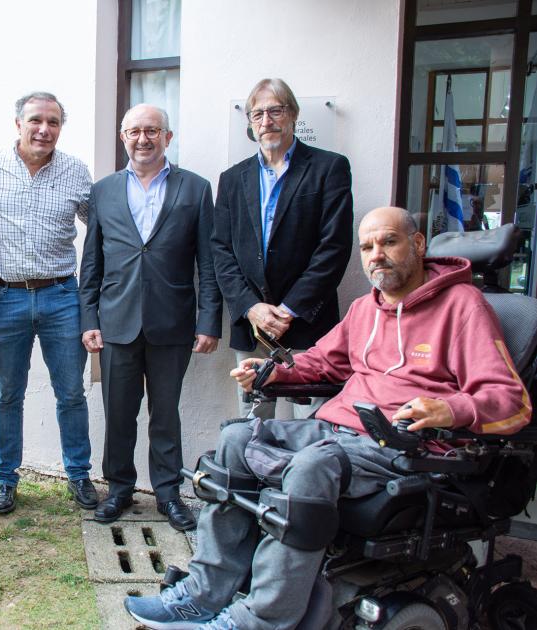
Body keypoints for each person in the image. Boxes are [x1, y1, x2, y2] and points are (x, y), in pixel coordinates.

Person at [125, 206, 532, 629]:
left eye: (389, 241)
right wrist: (271, 373)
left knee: (312, 467)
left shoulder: (462, 306)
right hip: (337, 430)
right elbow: (321, 362)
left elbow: (510, 400)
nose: (376, 254)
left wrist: (449, 408)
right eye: (367, 246)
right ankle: (203, 593)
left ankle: (261, 619)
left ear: (418, 244)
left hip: (402, 445)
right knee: (236, 441)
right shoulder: (365, 308)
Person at [79, 104, 221, 531]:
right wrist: (89, 318)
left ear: (167, 137)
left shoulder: (195, 189)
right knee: (118, 412)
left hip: (172, 321)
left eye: (152, 131)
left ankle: (167, 493)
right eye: (135, 131)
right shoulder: (102, 191)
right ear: (123, 137)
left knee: (166, 413)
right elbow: (92, 262)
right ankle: (119, 489)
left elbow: (208, 262)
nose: (143, 139)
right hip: (116, 322)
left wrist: (208, 320)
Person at [0, 91, 97, 514]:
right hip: (5, 296)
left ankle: (79, 475)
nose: (44, 129)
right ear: (18, 124)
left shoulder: (76, 172)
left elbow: (103, 228)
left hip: (62, 296)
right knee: (8, 394)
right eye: (36, 121)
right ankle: (5, 478)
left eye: (53, 122)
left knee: (71, 394)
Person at [213, 78, 353, 420]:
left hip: (307, 320)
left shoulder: (328, 168)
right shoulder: (233, 178)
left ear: (293, 114)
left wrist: (289, 309)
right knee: (253, 420)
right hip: (252, 324)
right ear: (249, 122)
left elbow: (333, 247)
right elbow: (221, 249)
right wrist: (252, 308)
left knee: (311, 420)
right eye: (257, 113)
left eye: (276, 110)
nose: (266, 121)